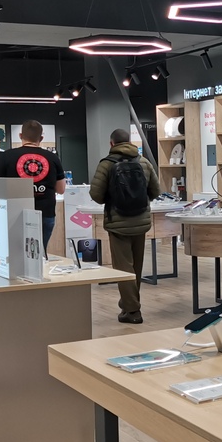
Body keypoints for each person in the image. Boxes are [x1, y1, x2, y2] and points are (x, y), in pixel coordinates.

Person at [89, 129, 160, 324]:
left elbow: (96, 195)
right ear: (129, 141)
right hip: (140, 221)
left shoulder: (106, 164)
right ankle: (129, 306)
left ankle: (132, 311)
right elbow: (156, 191)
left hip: (117, 222)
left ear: (111, 143)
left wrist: (113, 199)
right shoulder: (144, 162)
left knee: (123, 268)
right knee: (136, 266)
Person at [0, 120, 66, 246]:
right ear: (41, 138)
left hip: (14, 214)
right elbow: (61, 189)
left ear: (20, 136)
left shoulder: (6, 156)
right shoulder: (53, 157)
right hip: (45, 213)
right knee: (40, 252)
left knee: (14, 251)